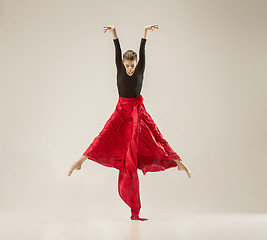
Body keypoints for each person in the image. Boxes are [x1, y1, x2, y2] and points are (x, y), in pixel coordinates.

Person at [68, 24, 191, 221]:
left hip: (137, 110)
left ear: (137, 64)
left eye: (133, 65)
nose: (130, 69)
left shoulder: (140, 67)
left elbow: (143, 51)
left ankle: (178, 162)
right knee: (104, 134)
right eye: (127, 65)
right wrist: (114, 32)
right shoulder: (120, 66)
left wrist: (145, 33)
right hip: (121, 110)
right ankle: (80, 161)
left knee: (156, 136)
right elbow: (116, 49)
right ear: (123, 63)